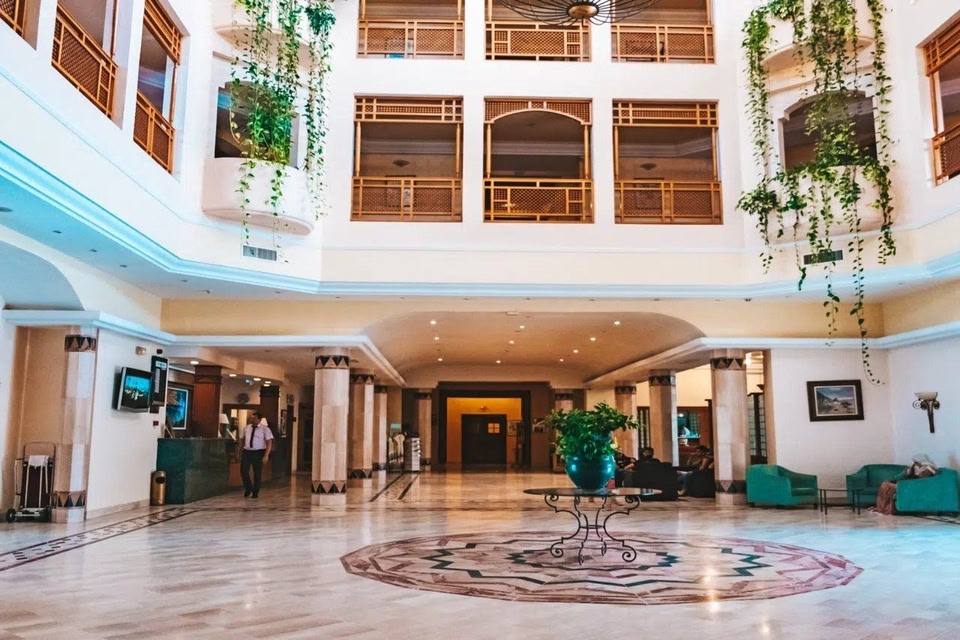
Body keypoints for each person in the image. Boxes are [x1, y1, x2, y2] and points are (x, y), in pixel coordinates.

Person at [873, 454, 938, 515]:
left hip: (912, 487)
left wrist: (916, 473)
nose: (915, 464)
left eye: (916, 462)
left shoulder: (928, 470)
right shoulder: (915, 468)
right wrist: (908, 471)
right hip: (907, 485)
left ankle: (886, 509)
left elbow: (922, 482)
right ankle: (881, 507)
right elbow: (902, 476)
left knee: (887, 486)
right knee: (885, 484)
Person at [240, 412, 273, 498]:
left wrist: (266, 455)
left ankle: (255, 491)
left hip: (258, 452)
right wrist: (240, 450)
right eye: (251, 418)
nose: (252, 420)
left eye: (254, 418)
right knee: (243, 471)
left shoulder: (265, 429)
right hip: (247, 451)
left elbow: (269, 442)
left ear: (259, 419)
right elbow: (242, 439)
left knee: (257, 472)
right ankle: (248, 488)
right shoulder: (246, 428)